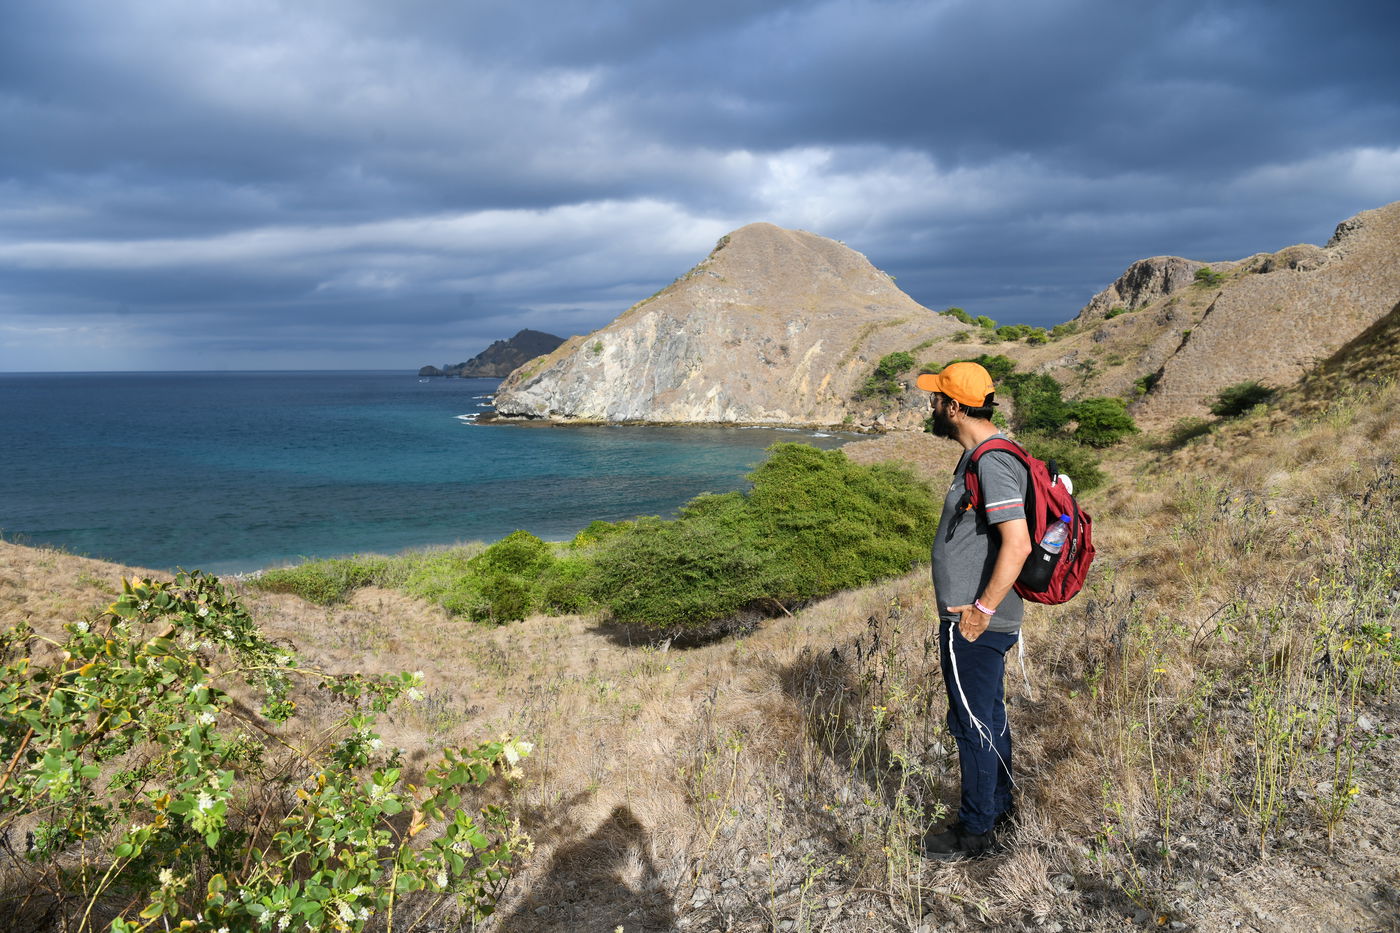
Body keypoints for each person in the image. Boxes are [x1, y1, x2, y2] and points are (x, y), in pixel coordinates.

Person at [915, 361, 1032, 860]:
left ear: (956, 407)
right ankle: (1000, 807)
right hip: (977, 616)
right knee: (988, 717)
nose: (933, 406)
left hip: (974, 621)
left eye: (938, 399)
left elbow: (1019, 543)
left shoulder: (991, 461)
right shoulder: (979, 456)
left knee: (971, 724)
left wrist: (981, 609)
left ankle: (976, 831)